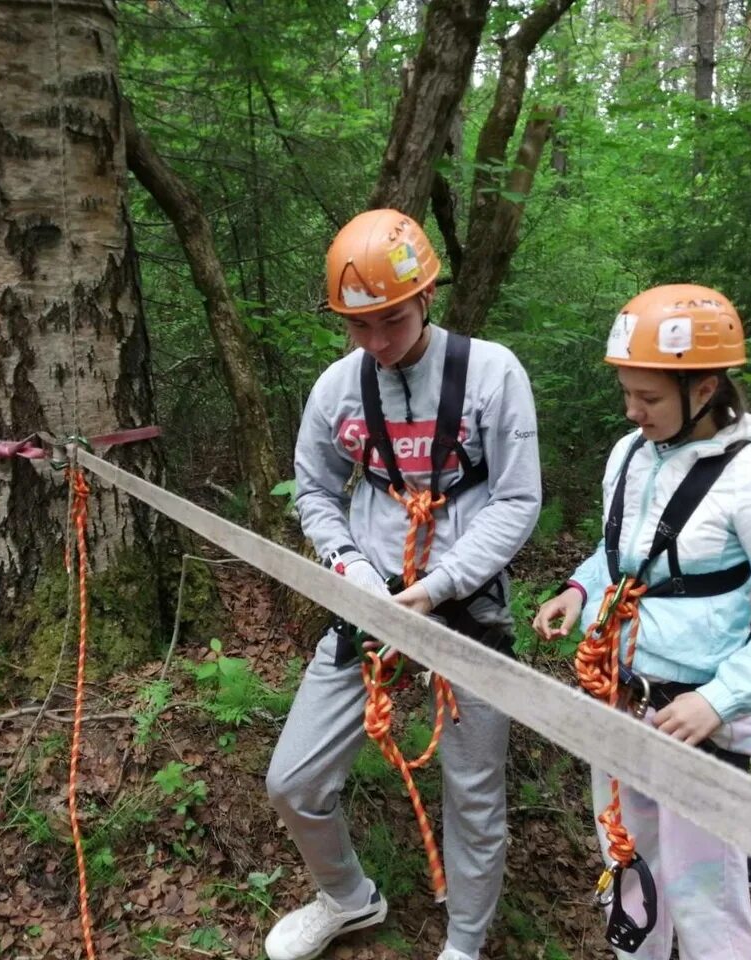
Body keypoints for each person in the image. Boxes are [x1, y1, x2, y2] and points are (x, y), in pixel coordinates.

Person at [264, 208, 541, 960]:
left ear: (427, 296)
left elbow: (518, 498)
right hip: (371, 601)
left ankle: (465, 944)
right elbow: (315, 491)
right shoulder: (337, 389)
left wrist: (445, 582)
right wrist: (352, 570)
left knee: (473, 791)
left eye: (390, 320)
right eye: (360, 328)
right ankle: (348, 898)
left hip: (467, 605)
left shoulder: (492, 375)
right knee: (293, 779)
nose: (378, 344)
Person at [532, 284, 751, 960]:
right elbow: (626, 556)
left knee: (705, 894)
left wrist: (714, 703)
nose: (634, 411)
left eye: (650, 398)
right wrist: (579, 588)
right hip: (619, 699)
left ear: (707, 387)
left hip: (698, 718)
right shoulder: (630, 454)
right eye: (628, 394)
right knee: (628, 869)